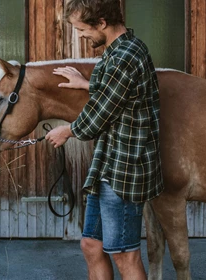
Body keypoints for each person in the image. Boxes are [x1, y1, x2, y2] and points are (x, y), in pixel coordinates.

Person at [45, 0, 163, 279]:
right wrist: (87, 83)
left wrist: (67, 131)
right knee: (91, 245)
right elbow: (120, 91)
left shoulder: (125, 56)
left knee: (124, 253)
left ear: (102, 23)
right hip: (107, 164)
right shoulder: (119, 51)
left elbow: (99, 115)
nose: (81, 36)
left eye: (83, 29)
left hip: (124, 168)